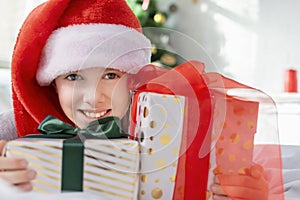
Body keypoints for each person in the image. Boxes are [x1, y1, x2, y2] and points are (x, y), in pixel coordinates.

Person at [0, 0, 272, 199]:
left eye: (110, 75)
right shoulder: (15, 127)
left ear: (133, 79)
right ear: (53, 84)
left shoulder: (160, 129)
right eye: (73, 77)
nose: (94, 97)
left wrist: (246, 193)